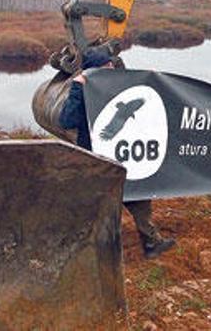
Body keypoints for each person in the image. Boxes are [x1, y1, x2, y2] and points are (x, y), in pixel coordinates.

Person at [58, 46, 177, 259]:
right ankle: (91, 248)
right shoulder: (83, 89)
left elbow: (146, 102)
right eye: (106, 66)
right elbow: (66, 121)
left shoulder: (122, 85)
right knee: (98, 204)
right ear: (94, 71)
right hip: (97, 159)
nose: (111, 68)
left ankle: (151, 243)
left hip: (124, 156)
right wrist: (77, 90)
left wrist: (150, 81)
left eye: (111, 64)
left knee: (138, 196)